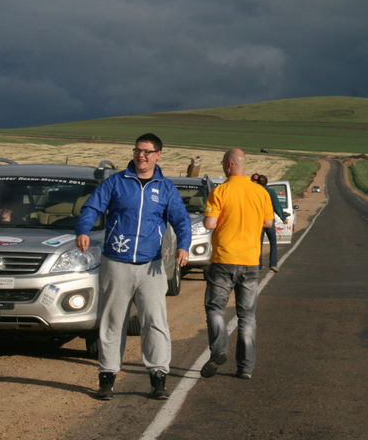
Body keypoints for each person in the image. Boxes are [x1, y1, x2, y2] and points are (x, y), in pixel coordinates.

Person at [76, 133, 191, 400]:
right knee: (112, 321)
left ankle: (158, 376)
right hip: (116, 263)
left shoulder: (165, 188)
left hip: (151, 266)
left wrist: (184, 245)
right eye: (138, 150)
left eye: (148, 152)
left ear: (158, 155)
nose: (141, 155)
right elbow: (92, 207)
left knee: (154, 322)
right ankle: (107, 377)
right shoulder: (116, 182)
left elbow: (181, 220)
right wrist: (83, 229)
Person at [201, 149, 273, 380]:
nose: (222, 165)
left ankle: (220, 350)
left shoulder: (220, 191)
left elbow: (210, 224)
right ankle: (245, 367)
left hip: (224, 259)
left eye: (223, 162)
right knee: (247, 316)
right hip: (251, 261)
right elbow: (268, 222)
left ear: (230, 165)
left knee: (215, 308)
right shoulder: (260, 192)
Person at [255, 174, 287, 272]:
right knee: (273, 242)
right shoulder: (271, 192)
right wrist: (283, 217)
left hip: (258, 221)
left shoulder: (255, 192)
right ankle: (273, 263)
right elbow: (277, 206)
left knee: (258, 243)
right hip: (269, 221)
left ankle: (258, 264)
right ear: (266, 182)